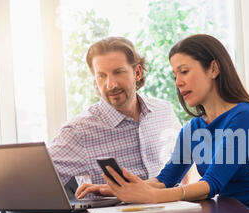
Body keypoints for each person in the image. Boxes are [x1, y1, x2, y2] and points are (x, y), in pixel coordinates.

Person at [76, 34, 249, 213]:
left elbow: (211, 185)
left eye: (184, 72)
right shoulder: (193, 129)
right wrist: (113, 189)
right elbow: (165, 179)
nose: (178, 82)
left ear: (214, 69)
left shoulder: (244, 116)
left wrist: (153, 196)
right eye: (175, 75)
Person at [48, 37, 182, 188]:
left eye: (118, 72)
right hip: (111, 211)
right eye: (101, 76)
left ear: (137, 73)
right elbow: (36, 178)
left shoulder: (164, 111)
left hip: (171, 209)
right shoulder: (79, 132)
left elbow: (182, 163)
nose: (111, 84)